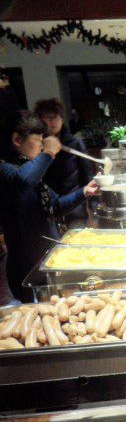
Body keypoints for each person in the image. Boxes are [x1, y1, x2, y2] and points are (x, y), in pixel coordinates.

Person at [0, 110, 98, 301]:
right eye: (37, 140)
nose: (41, 145)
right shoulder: (6, 170)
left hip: (48, 262)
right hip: (26, 270)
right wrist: (48, 153)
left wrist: (85, 192)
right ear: (17, 140)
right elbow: (23, 182)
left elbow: (56, 206)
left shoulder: (27, 168)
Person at [33, 98, 94, 220]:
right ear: (39, 120)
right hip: (47, 209)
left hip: (74, 208)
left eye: (56, 117)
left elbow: (87, 176)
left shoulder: (74, 142)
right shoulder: (35, 145)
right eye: (48, 118)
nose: (53, 122)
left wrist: (93, 208)